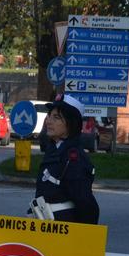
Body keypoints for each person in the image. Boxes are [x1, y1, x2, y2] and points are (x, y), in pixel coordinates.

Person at [28, 94, 99, 224]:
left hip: (63, 228)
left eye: (56, 118)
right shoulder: (54, 149)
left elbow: (86, 204)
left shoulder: (73, 158)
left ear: (71, 124)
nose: (48, 121)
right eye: (49, 116)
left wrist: (85, 234)